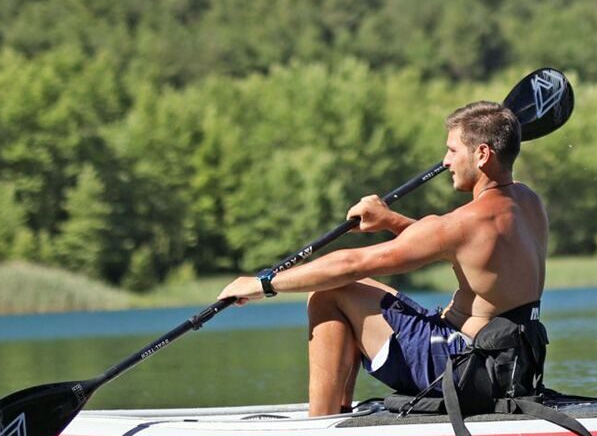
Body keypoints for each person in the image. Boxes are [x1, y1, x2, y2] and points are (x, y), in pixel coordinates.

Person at [218, 100, 549, 417]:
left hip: (465, 367)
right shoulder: (528, 202)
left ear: (481, 154)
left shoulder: (465, 223)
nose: (446, 161)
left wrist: (264, 283)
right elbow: (460, 246)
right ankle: (338, 412)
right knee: (354, 286)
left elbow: (351, 264)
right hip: (515, 365)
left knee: (331, 292)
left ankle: (320, 425)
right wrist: (391, 221)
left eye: (452, 150)